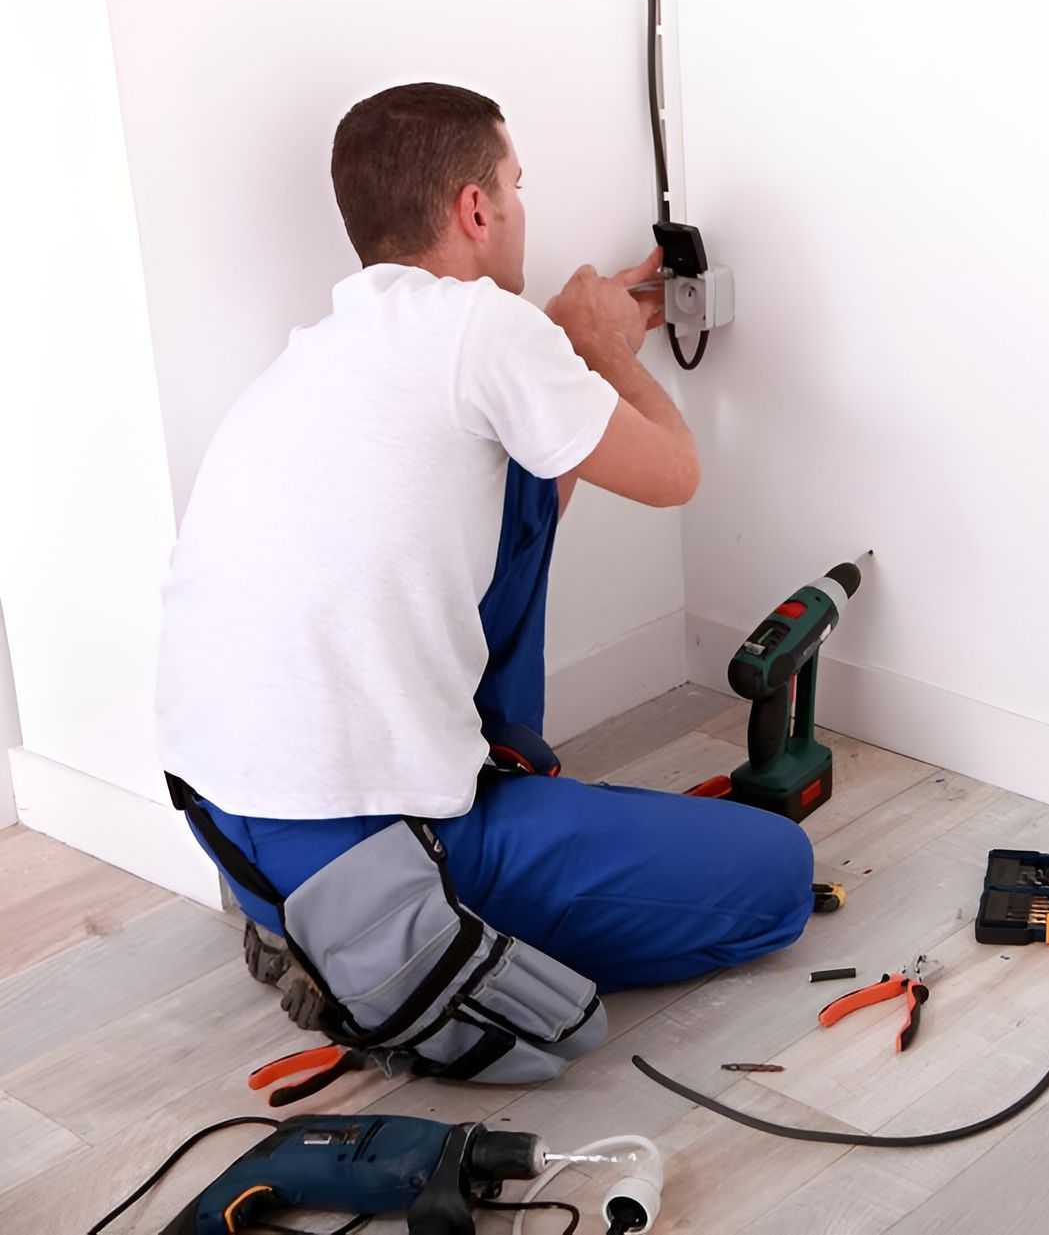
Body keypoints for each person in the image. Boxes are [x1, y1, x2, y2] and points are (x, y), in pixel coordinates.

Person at [155, 82, 813, 1052]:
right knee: (774, 874)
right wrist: (603, 354)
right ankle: (393, 944)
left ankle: (321, 912)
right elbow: (676, 475)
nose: (519, 205)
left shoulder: (323, 353)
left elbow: (527, 502)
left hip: (230, 827)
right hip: (375, 852)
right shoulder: (482, 328)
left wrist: (573, 358)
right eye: (516, 183)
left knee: (518, 487)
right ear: (475, 209)